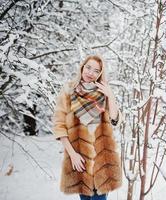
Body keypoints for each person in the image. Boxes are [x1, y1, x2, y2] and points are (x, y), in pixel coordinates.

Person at [52, 55, 123, 200]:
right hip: (80, 159)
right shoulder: (68, 91)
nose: (90, 73)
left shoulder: (103, 93)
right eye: (88, 67)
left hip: (101, 160)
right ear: (82, 67)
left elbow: (115, 119)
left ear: (100, 74)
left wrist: (111, 96)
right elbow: (60, 126)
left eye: (96, 71)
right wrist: (73, 155)